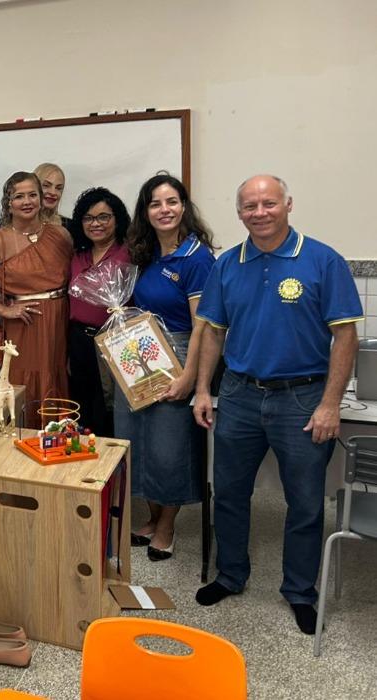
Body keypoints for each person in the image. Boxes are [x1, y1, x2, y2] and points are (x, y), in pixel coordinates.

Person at [193, 174, 362, 634]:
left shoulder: (323, 261)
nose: (259, 212)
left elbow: (345, 336)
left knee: (305, 503)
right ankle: (231, 575)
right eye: (250, 206)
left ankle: (300, 592)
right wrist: (204, 389)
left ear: (288, 204)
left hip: (303, 399)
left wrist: (330, 404)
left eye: (268, 203)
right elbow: (212, 331)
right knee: (228, 493)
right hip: (240, 396)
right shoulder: (227, 265)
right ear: (239, 213)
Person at [118, 174, 216, 561]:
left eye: (172, 202)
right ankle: (152, 516)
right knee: (137, 442)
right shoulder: (144, 254)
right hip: (139, 353)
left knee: (169, 447)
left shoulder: (197, 258)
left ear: (184, 206)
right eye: (155, 204)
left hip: (176, 356)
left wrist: (189, 377)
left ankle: (167, 526)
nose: (164, 210)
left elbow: (202, 328)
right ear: (146, 211)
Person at [0, 171, 72, 427]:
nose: (27, 201)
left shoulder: (61, 235)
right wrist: (3, 309)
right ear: (8, 203)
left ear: (42, 199)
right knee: (25, 383)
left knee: (57, 377)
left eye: (33, 195)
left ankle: (54, 440)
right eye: (19, 196)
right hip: (23, 325)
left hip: (58, 323)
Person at [66, 187, 132, 438]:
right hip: (79, 340)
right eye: (89, 218)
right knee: (82, 408)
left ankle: (112, 471)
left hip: (114, 341)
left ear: (117, 219)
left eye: (104, 217)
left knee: (110, 410)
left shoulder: (129, 253)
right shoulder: (77, 256)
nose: (96, 224)